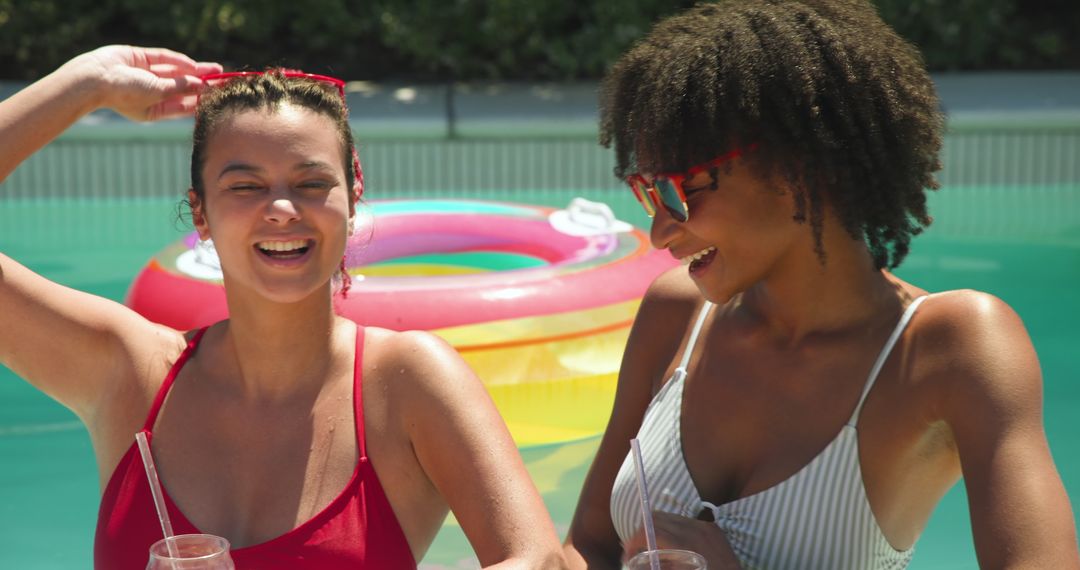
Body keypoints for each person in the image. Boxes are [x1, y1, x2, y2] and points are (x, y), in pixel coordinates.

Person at [0, 46, 566, 569]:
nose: (281, 208)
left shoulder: (404, 381)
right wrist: (84, 84)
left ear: (353, 197)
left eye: (312, 182)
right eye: (245, 186)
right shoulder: (132, 374)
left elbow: (538, 559)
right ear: (200, 213)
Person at [563, 1, 1080, 568]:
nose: (660, 231)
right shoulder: (677, 312)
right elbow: (588, 546)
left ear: (798, 167)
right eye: (647, 191)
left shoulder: (950, 347)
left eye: (678, 192)